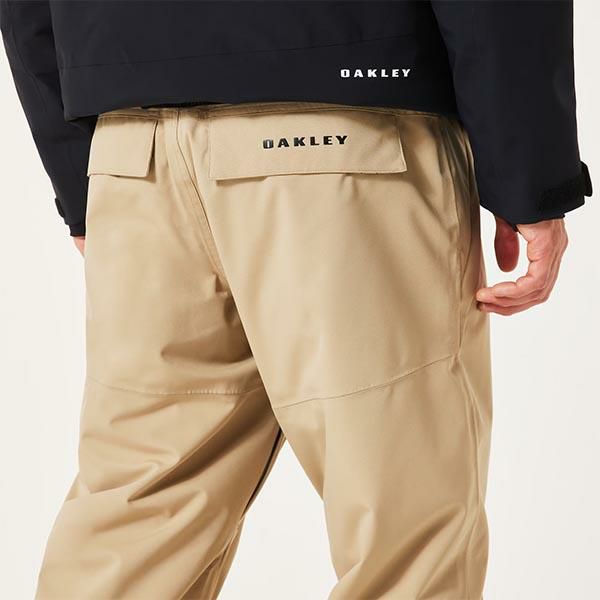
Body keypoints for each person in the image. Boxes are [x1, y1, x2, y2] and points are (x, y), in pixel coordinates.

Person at [1, 1, 592, 598]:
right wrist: (530, 174)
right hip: (343, 126)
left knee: (137, 513)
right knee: (407, 533)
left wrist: (80, 174)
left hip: (132, 151)